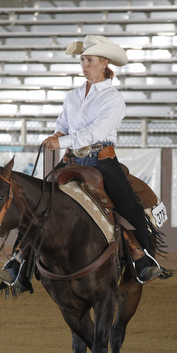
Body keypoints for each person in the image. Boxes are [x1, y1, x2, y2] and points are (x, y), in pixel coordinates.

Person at [42, 35, 163, 283]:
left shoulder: (113, 98)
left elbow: (96, 132)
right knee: (41, 199)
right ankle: (20, 260)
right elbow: (62, 124)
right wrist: (57, 135)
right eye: (82, 60)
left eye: (90, 60)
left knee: (127, 205)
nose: (84, 66)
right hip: (74, 159)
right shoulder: (73, 96)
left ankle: (143, 257)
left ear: (104, 63)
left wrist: (61, 142)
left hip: (101, 160)